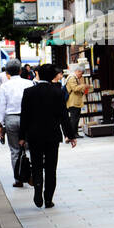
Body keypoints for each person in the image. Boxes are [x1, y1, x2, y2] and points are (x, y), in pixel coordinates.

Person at [18, 64, 77, 209]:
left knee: (37, 165)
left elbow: (24, 116)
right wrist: (70, 135)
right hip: (52, 135)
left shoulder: (28, 92)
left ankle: (38, 191)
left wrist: (22, 136)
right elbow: (64, 116)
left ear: (38, 74)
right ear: (52, 76)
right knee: (51, 167)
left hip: (34, 135)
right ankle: (48, 198)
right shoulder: (57, 92)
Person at [0, 60, 32, 188]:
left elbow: (1, 106)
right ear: (20, 71)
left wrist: (0, 125)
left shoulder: (5, 86)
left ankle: (18, 179)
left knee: (15, 150)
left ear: (7, 73)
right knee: (29, 148)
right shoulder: (29, 83)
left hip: (11, 119)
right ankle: (31, 175)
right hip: (27, 118)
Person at [64, 64, 87, 139]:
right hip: (73, 102)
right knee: (74, 118)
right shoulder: (72, 78)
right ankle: (72, 134)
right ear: (78, 71)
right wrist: (83, 85)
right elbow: (75, 88)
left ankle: (75, 133)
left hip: (76, 101)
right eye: (81, 73)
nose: (81, 75)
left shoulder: (75, 77)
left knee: (76, 118)